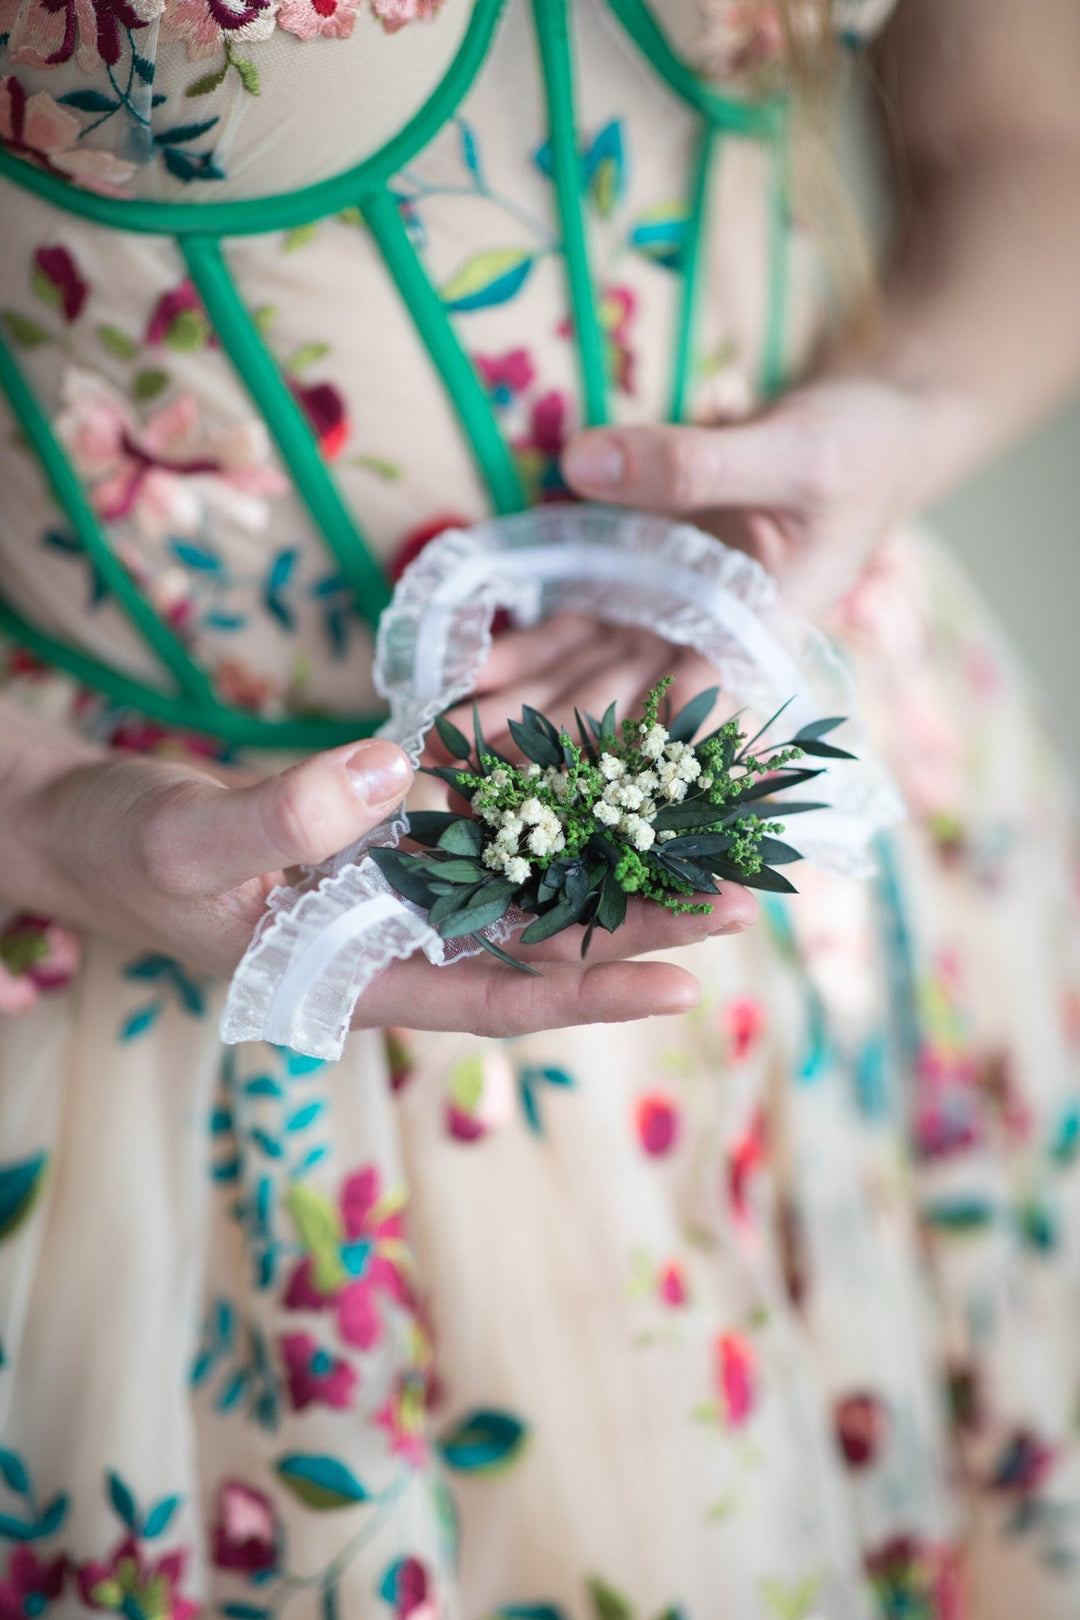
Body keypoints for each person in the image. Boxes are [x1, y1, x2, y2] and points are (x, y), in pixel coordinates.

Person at [0, 0, 1078, 1615]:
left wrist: (900, 428)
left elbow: (1027, 133)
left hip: (845, 818)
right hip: (199, 939)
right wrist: (42, 821)